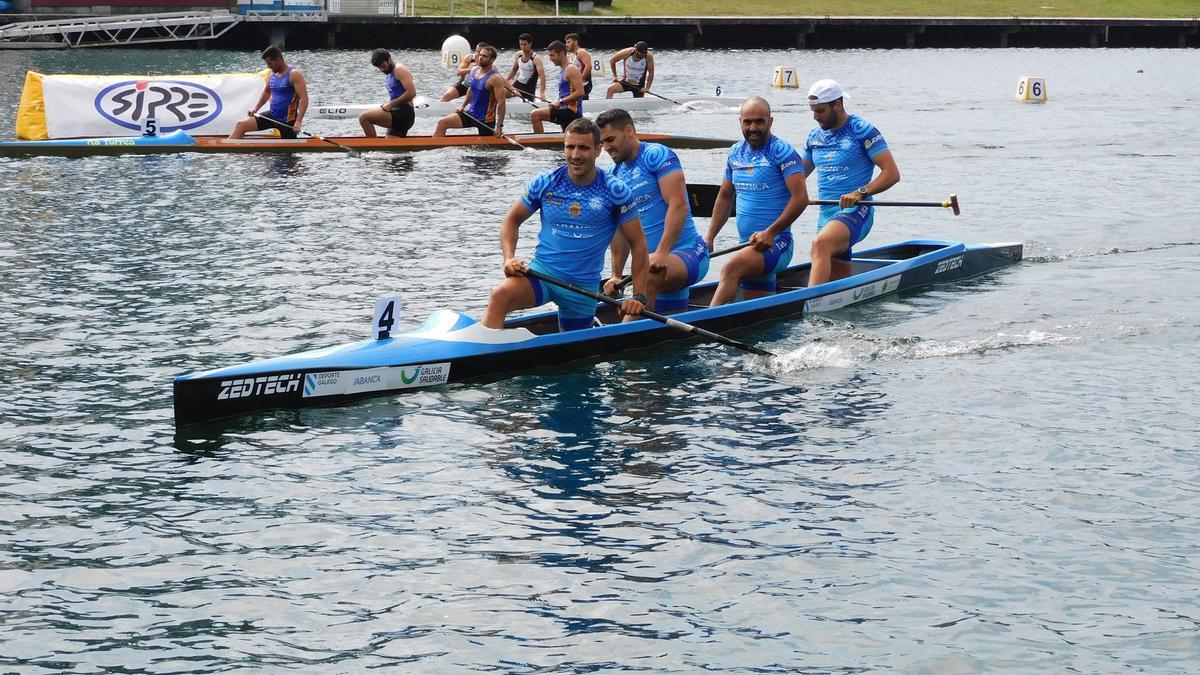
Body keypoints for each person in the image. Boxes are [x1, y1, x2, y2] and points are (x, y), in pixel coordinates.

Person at [482, 117, 651, 332]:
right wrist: (509, 258)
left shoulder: (615, 191)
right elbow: (511, 221)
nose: (575, 155)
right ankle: (483, 359)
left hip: (582, 289)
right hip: (542, 275)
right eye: (570, 147)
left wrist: (639, 296)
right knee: (500, 295)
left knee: (579, 360)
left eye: (583, 148)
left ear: (598, 150)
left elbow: (638, 244)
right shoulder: (546, 182)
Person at [596, 108, 708, 315]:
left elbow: (679, 205)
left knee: (644, 279)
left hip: (689, 252)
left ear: (629, 131)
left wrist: (663, 252)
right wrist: (615, 275)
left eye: (610, 139)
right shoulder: (614, 174)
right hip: (651, 267)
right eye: (602, 143)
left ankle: (623, 337)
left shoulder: (656, 155)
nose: (606, 147)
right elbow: (620, 232)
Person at [705, 96, 809, 306]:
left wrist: (770, 232)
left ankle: (702, 326)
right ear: (740, 122)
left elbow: (801, 199)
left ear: (770, 122)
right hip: (749, 246)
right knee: (761, 317)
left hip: (778, 243)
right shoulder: (735, 152)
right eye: (748, 122)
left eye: (760, 121)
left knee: (730, 268)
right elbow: (725, 198)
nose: (753, 127)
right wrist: (709, 237)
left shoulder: (782, 152)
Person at [801, 79, 900, 285]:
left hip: (857, 210)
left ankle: (807, 309)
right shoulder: (814, 137)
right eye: (813, 111)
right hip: (827, 212)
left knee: (820, 245)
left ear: (837, 105)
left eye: (820, 111)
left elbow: (891, 173)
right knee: (837, 284)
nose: (815, 117)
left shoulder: (863, 130)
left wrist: (860, 192)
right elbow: (797, 176)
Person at [229, 46, 308, 139]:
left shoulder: (294, 74)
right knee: (240, 125)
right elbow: (267, 92)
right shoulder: (272, 73)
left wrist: (298, 122)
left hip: (287, 121)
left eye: (270, 63)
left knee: (285, 153)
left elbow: (304, 98)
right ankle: (227, 151)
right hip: (272, 115)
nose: (268, 66)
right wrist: (256, 109)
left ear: (278, 60)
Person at [433, 44, 507, 137]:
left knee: (486, 150)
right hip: (471, 114)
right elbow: (471, 90)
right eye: (480, 54)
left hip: (486, 120)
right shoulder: (474, 70)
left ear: (492, 60)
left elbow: (501, 102)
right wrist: (463, 105)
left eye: (484, 56)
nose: (480, 58)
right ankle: (435, 147)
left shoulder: (495, 78)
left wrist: (499, 126)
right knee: (442, 123)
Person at [358, 49, 416, 138]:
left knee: (364, 117)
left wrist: (390, 104)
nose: (382, 69)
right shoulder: (389, 73)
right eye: (379, 68)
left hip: (403, 114)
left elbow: (412, 92)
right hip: (397, 113)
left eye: (383, 66)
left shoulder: (399, 69)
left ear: (389, 60)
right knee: (391, 150)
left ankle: (372, 149)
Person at [530, 41, 584, 134]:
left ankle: (539, 147)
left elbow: (580, 92)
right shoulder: (564, 69)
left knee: (535, 115)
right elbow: (567, 93)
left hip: (572, 112)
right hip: (564, 109)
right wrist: (557, 102)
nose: (550, 59)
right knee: (567, 138)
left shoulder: (571, 69)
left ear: (562, 53)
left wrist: (560, 102)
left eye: (552, 55)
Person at [505, 33, 546, 103]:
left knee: (529, 112)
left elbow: (542, 77)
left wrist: (542, 93)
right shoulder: (518, 54)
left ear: (530, 44)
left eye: (525, 44)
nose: (522, 47)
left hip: (529, 88)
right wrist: (505, 81)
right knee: (501, 93)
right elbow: (514, 70)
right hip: (518, 84)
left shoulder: (536, 58)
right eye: (521, 44)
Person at [564, 33, 594, 100]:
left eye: (568, 42)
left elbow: (588, 66)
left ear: (575, 42)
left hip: (584, 85)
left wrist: (580, 81)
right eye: (566, 43)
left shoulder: (581, 52)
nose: (566, 45)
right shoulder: (573, 56)